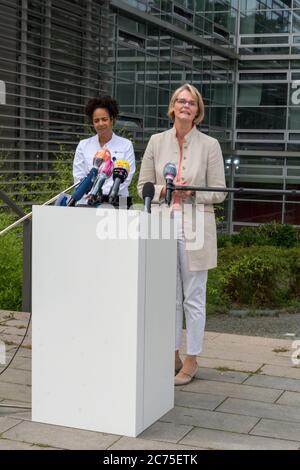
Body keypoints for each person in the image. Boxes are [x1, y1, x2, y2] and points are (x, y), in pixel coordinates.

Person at [137, 83, 227, 386]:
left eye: (191, 102)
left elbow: (219, 192)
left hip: (196, 227)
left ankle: (192, 358)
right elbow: (143, 187)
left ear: (197, 110)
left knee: (194, 297)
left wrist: (194, 193)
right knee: (169, 297)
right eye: (180, 101)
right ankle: (172, 353)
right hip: (163, 224)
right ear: (172, 107)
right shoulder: (156, 141)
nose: (185, 106)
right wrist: (168, 189)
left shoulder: (210, 145)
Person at [73, 95, 136, 201]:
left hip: (117, 202)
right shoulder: (83, 145)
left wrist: (104, 196)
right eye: (96, 121)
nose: (100, 124)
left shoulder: (126, 145)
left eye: (104, 119)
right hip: (87, 202)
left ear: (112, 119)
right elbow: (79, 177)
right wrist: (90, 195)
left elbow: (126, 178)